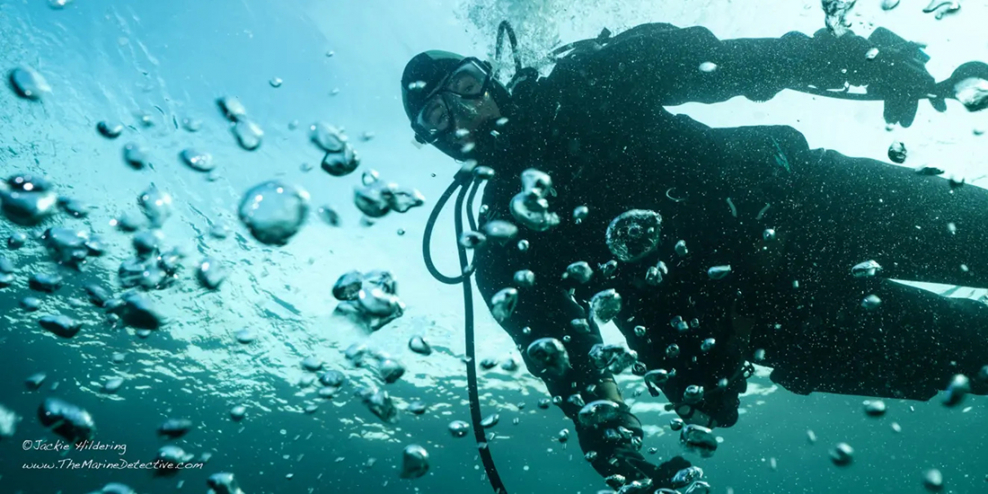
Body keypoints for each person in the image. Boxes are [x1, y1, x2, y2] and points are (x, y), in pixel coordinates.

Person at [402, 21, 988, 491]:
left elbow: (732, 62)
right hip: (771, 324)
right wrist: (622, 458)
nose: (462, 113)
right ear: (431, 141)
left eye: (465, 86)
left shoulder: (586, 80)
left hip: (815, 201)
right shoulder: (504, 246)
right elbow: (570, 366)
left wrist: (858, 59)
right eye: (435, 114)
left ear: (491, 78)